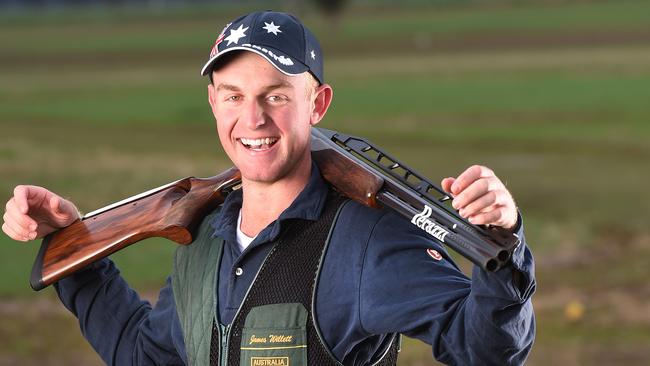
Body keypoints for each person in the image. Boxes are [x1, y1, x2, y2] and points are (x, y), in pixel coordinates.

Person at [2, 10, 535, 366]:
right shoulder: (203, 236)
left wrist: (505, 243)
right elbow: (150, 355)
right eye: (233, 96)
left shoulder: (366, 240)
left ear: (318, 104)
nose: (252, 119)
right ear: (214, 104)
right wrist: (76, 252)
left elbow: (487, 349)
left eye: (276, 96)